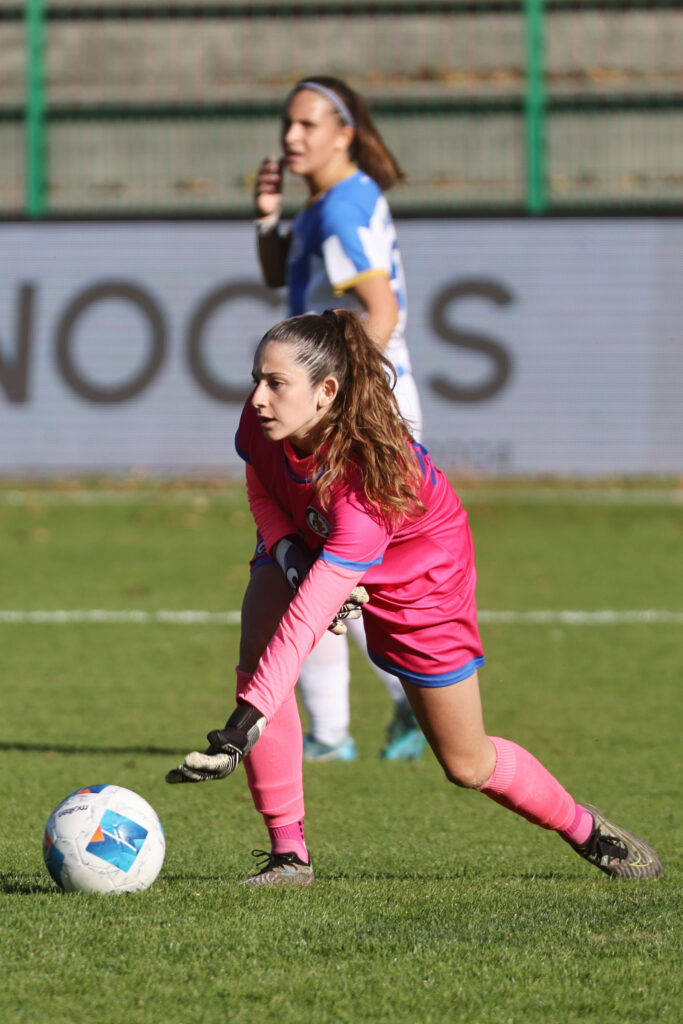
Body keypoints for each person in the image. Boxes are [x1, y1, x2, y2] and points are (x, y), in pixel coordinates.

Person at [167, 309, 663, 887]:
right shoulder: (266, 420)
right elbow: (261, 482)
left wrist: (243, 722)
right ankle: (288, 856)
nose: (257, 396)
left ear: (326, 392)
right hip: (308, 537)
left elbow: (306, 623)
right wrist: (286, 553)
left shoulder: (368, 486)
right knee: (258, 640)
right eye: (257, 377)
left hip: (422, 571)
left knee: (466, 762)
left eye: (275, 383)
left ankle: (583, 827)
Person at [252, 74, 425, 762]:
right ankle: (345, 728)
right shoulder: (328, 203)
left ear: (343, 132)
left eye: (307, 125)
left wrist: (341, 397)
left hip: (358, 408)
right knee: (325, 565)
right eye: (286, 125)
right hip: (355, 403)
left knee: (325, 566)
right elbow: (279, 277)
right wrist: (268, 217)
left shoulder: (341, 207)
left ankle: (372, 715)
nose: (291, 138)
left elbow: (382, 312)